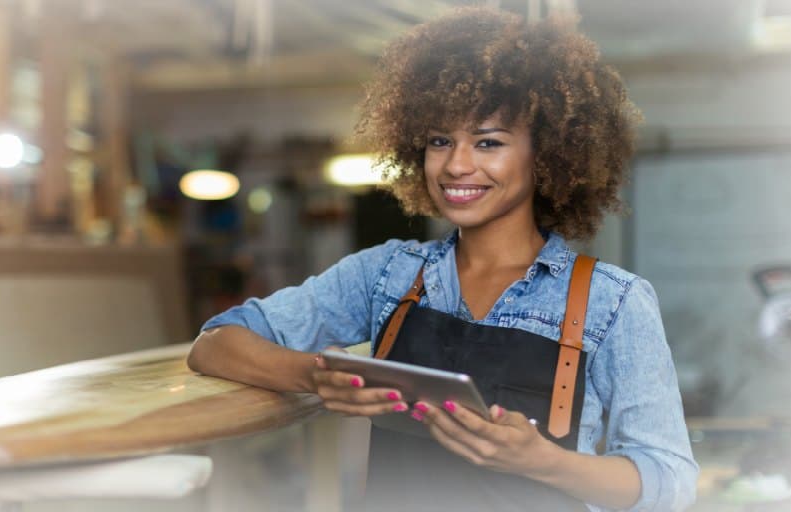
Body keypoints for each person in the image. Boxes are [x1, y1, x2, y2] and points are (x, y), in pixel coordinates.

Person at [187, 6, 697, 511]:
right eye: (439, 141)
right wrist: (314, 377)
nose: (456, 164)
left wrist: (544, 461)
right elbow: (214, 344)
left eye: (488, 142)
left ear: (546, 156)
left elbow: (670, 480)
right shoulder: (388, 274)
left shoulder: (613, 302)